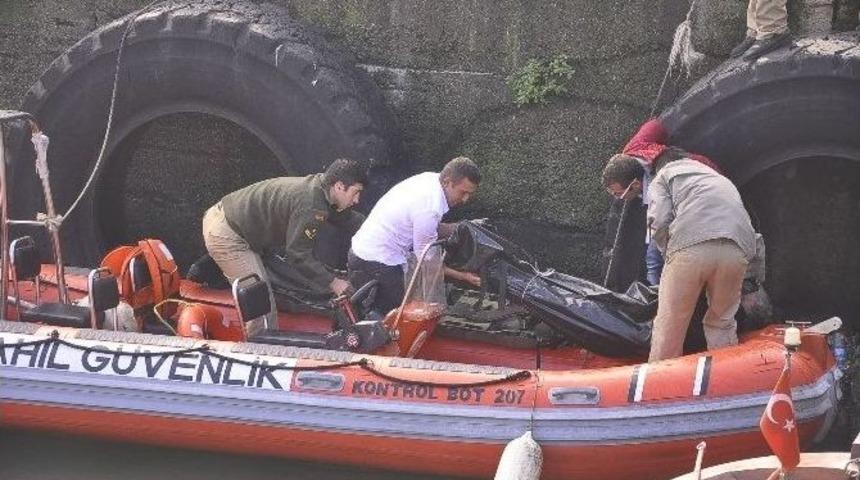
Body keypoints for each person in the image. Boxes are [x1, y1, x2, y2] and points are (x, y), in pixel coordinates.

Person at [602, 154, 756, 362]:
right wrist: (752, 276)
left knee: (669, 325)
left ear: (637, 183)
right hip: (736, 251)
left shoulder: (663, 177)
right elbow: (752, 234)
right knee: (722, 322)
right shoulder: (719, 180)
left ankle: (660, 383)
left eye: (620, 195)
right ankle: (724, 379)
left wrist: (670, 255)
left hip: (690, 247)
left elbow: (658, 220)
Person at [202, 159, 367, 332]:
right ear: (340, 186)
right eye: (356, 192)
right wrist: (333, 283)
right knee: (261, 306)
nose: (357, 200)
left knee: (279, 286)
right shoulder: (311, 205)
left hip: (239, 224)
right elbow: (297, 255)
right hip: (229, 235)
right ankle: (260, 350)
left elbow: (346, 219)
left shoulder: (322, 189)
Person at [349, 157, 482, 313]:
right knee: (397, 318)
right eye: (463, 192)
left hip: (362, 249)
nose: (465, 199)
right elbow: (427, 262)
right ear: (447, 181)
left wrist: (462, 227)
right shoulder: (429, 206)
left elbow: (427, 227)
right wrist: (463, 276)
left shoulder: (431, 179)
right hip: (375, 261)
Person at [611, 118, 722, 286]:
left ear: (634, 185)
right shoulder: (634, 150)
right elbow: (656, 126)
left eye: (620, 194)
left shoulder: (664, 187)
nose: (618, 198)